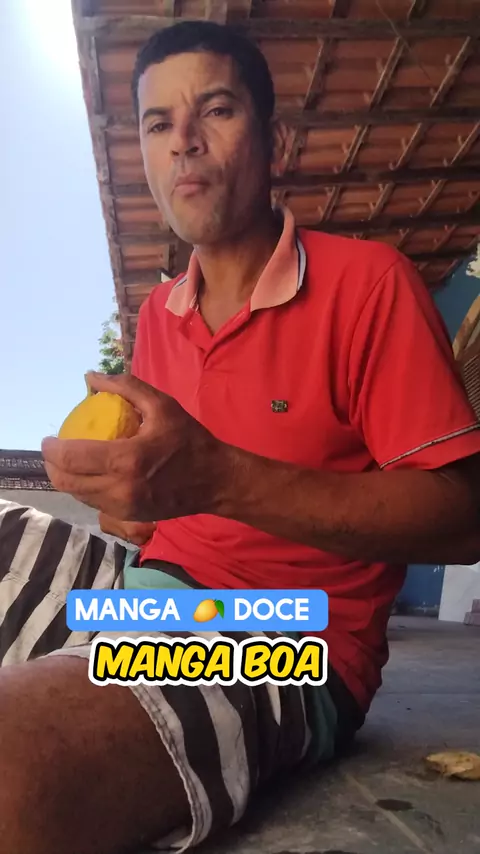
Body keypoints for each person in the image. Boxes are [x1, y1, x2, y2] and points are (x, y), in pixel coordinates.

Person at [1, 19, 480, 854]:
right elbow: (160, 505)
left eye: (215, 111)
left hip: (280, 633)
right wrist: (131, 508)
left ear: (275, 143)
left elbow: (463, 520)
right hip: (141, 595)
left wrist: (218, 479)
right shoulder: (158, 315)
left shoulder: (371, 284)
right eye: (158, 123)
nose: (182, 142)